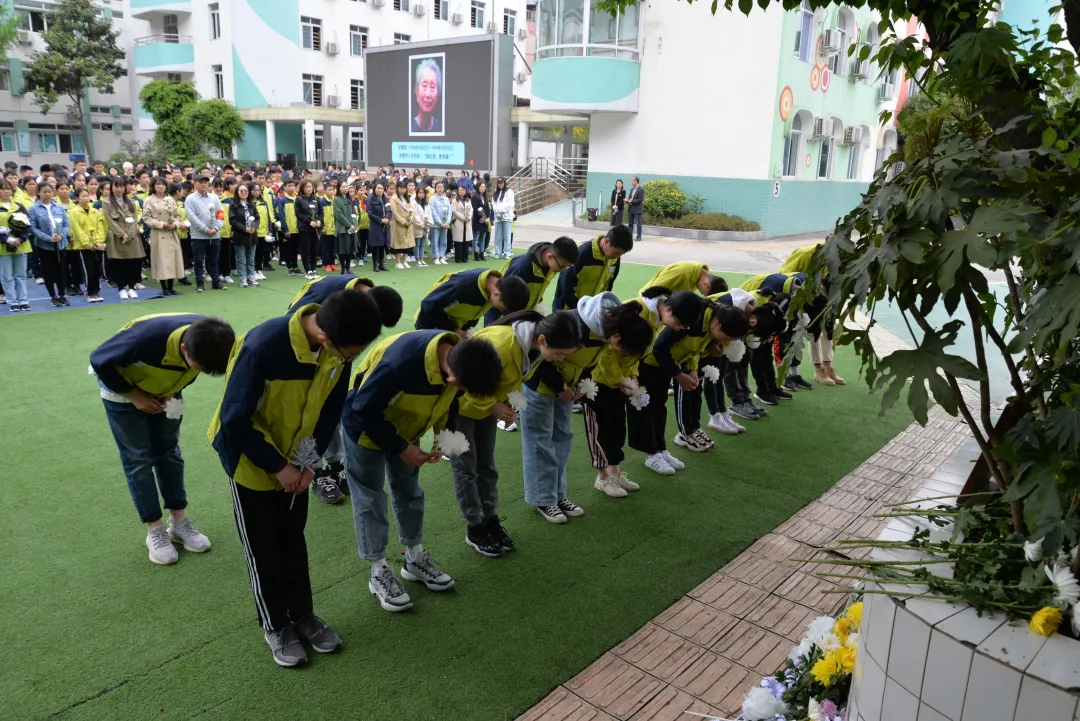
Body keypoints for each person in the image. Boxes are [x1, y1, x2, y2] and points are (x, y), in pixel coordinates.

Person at [209, 291, 383, 667]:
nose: (350, 359)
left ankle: (303, 615)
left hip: (297, 459)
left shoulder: (338, 350)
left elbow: (329, 411)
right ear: (324, 338)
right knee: (264, 548)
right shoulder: (261, 346)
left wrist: (307, 464)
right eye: (350, 353)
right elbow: (234, 421)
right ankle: (276, 625)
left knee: (292, 540)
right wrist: (277, 465)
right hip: (251, 462)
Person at [341, 330, 503, 612]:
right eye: (463, 387)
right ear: (452, 376)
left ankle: (414, 559)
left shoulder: (460, 356)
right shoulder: (399, 364)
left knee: (410, 491)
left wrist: (444, 439)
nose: (460, 391)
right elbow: (362, 409)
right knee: (370, 499)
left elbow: (450, 403)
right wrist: (402, 448)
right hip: (365, 431)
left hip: (406, 427)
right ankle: (378, 571)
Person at [91, 314, 235, 565]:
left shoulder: (212, 339)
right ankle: (154, 530)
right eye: (196, 365)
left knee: (169, 452)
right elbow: (99, 360)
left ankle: (179, 523)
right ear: (182, 348)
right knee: (138, 459)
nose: (197, 371)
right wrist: (135, 395)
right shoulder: (144, 338)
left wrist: (170, 391)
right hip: (124, 395)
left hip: (168, 394)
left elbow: (192, 369)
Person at [452, 310, 581, 556]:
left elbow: (511, 380)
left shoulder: (533, 349)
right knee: (465, 469)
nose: (560, 360)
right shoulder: (501, 344)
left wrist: (509, 401)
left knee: (487, 467)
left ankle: (489, 519)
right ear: (542, 340)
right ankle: (475, 529)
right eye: (560, 353)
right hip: (457, 410)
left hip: (482, 410)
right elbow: (459, 381)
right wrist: (493, 404)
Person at [581, 299, 655, 497]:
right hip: (597, 389)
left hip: (617, 389)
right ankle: (603, 478)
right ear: (616, 338)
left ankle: (615, 472)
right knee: (599, 433)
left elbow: (632, 361)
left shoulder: (635, 339)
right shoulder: (606, 343)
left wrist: (633, 376)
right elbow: (607, 363)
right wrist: (621, 381)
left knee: (617, 428)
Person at [484, 238, 580, 325]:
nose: (563, 270)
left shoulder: (550, 265)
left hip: (520, 316)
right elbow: (499, 299)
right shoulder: (521, 269)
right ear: (550, 256)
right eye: (562, 266)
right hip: (502, 318)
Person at [414, 267, 530, 334]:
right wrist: (455, 329)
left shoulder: (495, 287)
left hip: (458, 324)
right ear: (496, 294)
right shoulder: (461, 287)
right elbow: (428, 305)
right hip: (429, 323)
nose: (499, 310)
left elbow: (474, 312)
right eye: (501, 308)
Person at [554, 225, 634, 311]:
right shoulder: (581, 253)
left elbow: (608, 285)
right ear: (606, 242)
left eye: (621, 254)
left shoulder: (614, 259)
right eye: (616, 253)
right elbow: (566, 285)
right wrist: (580, 310)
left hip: (590, 311)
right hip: (568, 310)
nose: (617, 257)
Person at [28, 181, 71, 307]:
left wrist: (61, 235)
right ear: (39, 193)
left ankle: (62, 295)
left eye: (49, 192)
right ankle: (53, 296)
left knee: (61, 271)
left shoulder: (58, 207)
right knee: (49, 271)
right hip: (45, 246)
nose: (47, 194)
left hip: (60, 244)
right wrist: (48, 238)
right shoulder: (34, 209)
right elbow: (33, 228)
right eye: (44, 192)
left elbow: (66, 224)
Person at [143, 176, 184, 297]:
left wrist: (175, 224)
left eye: (163, 184)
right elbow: (147, 218)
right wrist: (162, 224)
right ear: (153, 186)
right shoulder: (149, 200)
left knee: (172, 260)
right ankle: (164, 287)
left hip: (171, 233)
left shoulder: (170, 200)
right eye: (158, 184)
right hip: (159, 233)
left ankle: (171, 287)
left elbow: (177, 215)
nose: (161, 186)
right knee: (162, 260)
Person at [184, 174, 225, 292]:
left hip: (215, 234)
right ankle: (200, 283)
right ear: (195, 183)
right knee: (198, 260)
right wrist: (206, 229)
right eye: (201, 182)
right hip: (199, 235)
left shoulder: (214, 198)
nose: (203, 184)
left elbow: (220, 214)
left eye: (206, 182)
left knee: (214, 259)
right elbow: (192, 218)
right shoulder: (191, 199)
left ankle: (215, 281)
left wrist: (217, 228)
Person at [0, 180, 31, 311]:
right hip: (3, 246)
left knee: (20, 275)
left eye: (8, 188)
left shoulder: (19, 206)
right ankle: (12, 301)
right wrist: (7, 239)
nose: (6, 191)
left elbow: (27, 223)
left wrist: (21, 238)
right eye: (2, 189)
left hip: (21, 245)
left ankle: (23, 300)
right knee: (7, 276)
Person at [229, 182, 259, 288]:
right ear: (237, 192)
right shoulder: (233, 205)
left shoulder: (251, 205)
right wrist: (244, 228)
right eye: (241, 191)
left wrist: (254, 227)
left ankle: (251, 276)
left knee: (251, 257)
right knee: (241, 258)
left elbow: (257, 218)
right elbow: (232, 221)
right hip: (239, 235)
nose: (243, 192)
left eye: (245, 191)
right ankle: (242, 278)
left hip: (252, 235)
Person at [641, 261, 727, 297]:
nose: (701, 293)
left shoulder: (697, 275)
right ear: (706, 284)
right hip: (648, 305)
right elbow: (650, 292)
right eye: (703, 293)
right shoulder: (682, 273)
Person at [294, 180, 322, 279]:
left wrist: (319, 220)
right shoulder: (299, 199)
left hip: (316, 229)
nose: (309, 189)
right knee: (306, 250)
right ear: (302, 188)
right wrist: (309, 222)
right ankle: (308, 270)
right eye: (306, 187)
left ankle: (313, 269)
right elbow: (298, 214)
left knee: (315, 250)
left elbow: (321, 212)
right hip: (304, 228)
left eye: (310, 187)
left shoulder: (316, 199)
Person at [410, 58, 443, 134]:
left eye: (432, 87)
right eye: (424, 85)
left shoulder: (442, 126)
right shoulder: (408, 126)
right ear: (416, 89)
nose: (428, 94)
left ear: (438, 93)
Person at [332, 180, 357, 274]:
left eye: (346, 186)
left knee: (350, 249)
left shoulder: (349, 199)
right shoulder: (336, 199)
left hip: (351, 229)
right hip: (342, 229)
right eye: (343, 186)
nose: (345, 188)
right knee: (342, 250)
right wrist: (349, 225)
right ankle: (343, 268)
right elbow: (338, 215)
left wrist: (354, 224)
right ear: (339, 188)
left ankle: (348, 267)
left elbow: (353, 213)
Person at [389, 179, 415, 269]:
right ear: (397, 188)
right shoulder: (394, 199)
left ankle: (404, 261)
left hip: (408, 224)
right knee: (398, 243)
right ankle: (398, 262)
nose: (403, 190)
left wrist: (410, 220)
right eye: (401, 188)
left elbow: (412, 210)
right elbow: (395, 213)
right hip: (398, 224)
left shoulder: (407, 198)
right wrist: (403, 222)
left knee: (408, 244)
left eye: (404, 188)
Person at [366, 182, 390, 272]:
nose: (380, 190)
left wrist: (388, 218)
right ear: (374, 189)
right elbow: (369, 213)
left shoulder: (384, 199)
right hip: (375, 225)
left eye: (381, 188)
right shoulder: (370, 199)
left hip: (385, 226)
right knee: (376, 246)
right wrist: (380, 220)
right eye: (378, 188)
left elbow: (389, 210)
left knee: (383, 245)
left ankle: (381, 264)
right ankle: (375, 265)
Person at [491, 177, 516, 259]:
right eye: (499, 183)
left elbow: (510, 204)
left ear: (504, 183)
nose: (500, 184)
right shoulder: (496, 193)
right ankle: (498, 252)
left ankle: (507, 252)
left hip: (507, 216)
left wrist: (502, 210)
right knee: (498, 236)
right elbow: (494, 204)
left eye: (501, 183)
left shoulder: (509, 192)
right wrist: (497, 211)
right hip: (498, 217)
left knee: (507, 236)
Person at [428, 182, 451, 265]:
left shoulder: (446, 199)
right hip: (436, 225)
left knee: (444, 241)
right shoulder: (432, 199)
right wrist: (440, 223)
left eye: (441, 187)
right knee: (435, 241)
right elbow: (433, 212)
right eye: (438, 187)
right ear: (435, 188)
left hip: (445, 224)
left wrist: (447, 222)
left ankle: (441, 256)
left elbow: (449, 212)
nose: (440, 189)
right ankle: (436, 257)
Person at [450, 184, 472, 264]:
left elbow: (471, 209)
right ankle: (458, 258)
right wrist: (463, 218)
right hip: (459, 222)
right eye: (460, 190)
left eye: (463, 190)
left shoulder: (468, 200)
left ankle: (465, 258)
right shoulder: (455, 200)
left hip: (467, 222)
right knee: (458, 241)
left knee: (466, 241)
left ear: (465, 191)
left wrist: (469, 217)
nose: (461, 191)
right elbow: (454, 211)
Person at [319, 181, 338, 273]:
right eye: (329, 190)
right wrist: (322, 227)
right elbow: (320, 215)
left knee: (334, 248)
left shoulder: (335, 200)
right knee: (326, 248)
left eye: (332, 190)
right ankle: (327, 264)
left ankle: (332, 263)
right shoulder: (322, 201)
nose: (331, 191)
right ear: (325, 191)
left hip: (335, 229)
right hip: (326, 229)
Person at [470, 182, 491, 260]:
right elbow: (475, 209)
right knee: (475, 238)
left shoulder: (485, 197)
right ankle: (476, 254)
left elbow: (488, 209)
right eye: (481, 186)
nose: (483, 188)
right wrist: (483, 219)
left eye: (484, 186)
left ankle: (481, 253)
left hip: (485, 221)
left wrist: (488, 217)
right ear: (478, 187)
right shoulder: (474, 197)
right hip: (477, 220)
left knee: (482, 237)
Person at [411, 185, 431, 267]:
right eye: (420, 193)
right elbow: (415, 216)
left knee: (422, 244)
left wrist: (428, 224)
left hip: (425, 226)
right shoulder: (414, 203)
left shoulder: (426, 203)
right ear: (417, 193)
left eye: (423, 193)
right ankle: (417, 259)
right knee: (417, 244)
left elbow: (430, 214)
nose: (421, 194)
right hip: (418, 227)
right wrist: (422, 225)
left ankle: (422, 259)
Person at [627, 177, 645, 242]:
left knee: (638, 224)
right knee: (630, 224)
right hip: (630, 208)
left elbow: (640, 200)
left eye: (632, 181)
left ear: (636, 181)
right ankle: (629, 236)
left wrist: (631, 200)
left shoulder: (641, 190)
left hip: (637, 209)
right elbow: (630, 198)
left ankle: (639, 237)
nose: (631, 182)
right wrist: (627, 200)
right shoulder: (631, 189)